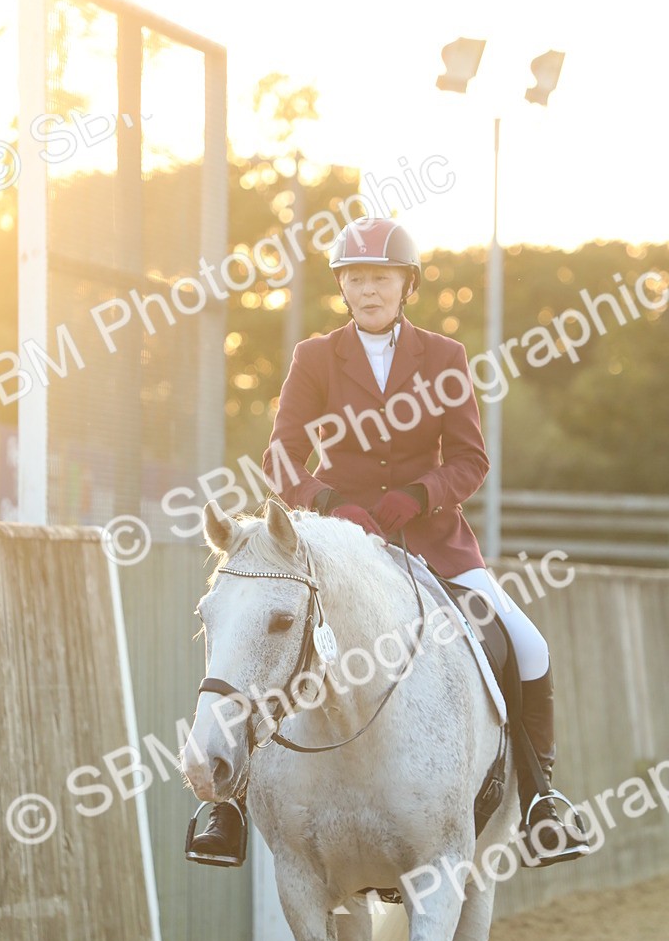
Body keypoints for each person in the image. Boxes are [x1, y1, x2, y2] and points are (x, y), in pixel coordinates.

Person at [188, 216, 589, 869]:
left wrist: (420, 496)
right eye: (355, 278)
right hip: (336, 538)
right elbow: (282, 453)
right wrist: (325, 503)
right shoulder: (316, 357)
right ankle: (225, 807)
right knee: (254, 629)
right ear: (342, 287)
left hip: (431, 537)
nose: (367, 289)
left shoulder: (446, 358)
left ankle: (542, 799)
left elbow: (470, 460)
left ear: (407, 285)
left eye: (381, 277)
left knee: (528, 643)